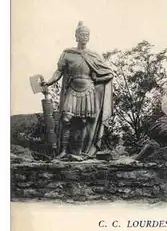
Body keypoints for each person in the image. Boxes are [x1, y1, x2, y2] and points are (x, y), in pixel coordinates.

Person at [42, 21, 114, 158]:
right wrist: (49, 82)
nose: (84, 37)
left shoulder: (94, 55)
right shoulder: (67, 54)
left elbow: (109, 73)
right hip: (73, 90)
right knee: (66, 119)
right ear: (76, 36)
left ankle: (80, 152)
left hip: (89, 91)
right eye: (82, 34)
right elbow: (59, 71)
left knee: (84, 123)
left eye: (87, 34)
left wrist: (97, 80)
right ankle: (63, 151)